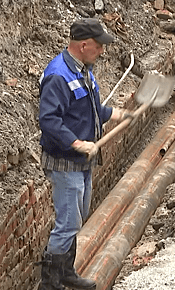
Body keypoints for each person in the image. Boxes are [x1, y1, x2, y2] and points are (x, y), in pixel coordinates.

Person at [37, 18, 131, 290]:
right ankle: (50, 285)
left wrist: (115, 113)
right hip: (65, 161)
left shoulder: (84, 70)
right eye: (99, 46)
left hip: (83, 162)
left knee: (77, 218)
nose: (103, 51)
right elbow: (49, 120)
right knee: (67, 224)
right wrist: (77, 143)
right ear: (83, 44)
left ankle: (66, 272)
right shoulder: (58, 75)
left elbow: (89, 110)